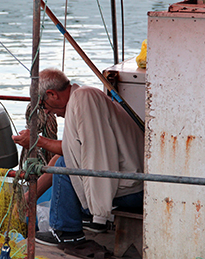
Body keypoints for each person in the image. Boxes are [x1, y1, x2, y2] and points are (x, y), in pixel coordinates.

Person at [12, 68, 144, 248]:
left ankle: (66, 232)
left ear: (52, 94)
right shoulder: (81, 99)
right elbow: (68, 150)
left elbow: (81, 153)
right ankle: (82, 219)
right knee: (63, 162)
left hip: (135, 189)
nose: (48, 112)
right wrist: (30, 196)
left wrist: (38, 140)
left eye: (43, 105)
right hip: (134, 184)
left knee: (64, 166)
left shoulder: (84, 99)